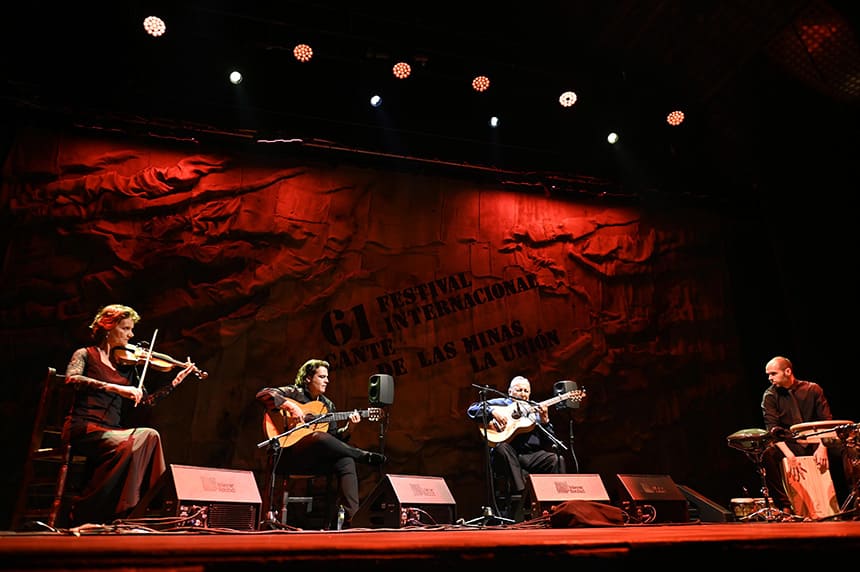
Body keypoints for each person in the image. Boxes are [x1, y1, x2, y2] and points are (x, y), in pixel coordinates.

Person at [63, 304, 197, 525]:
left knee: (150, 436)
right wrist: (117, 388)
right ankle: (90, 509)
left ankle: (147, 508)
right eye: (125, 328)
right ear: (108, 328)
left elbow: (146, 401)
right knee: (132, 442)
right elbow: (72, 379)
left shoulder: (126, 365)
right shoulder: (86, 354)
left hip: (111, 432)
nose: (131, 335)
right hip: (84, 427)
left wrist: (174, 383)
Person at [256, 359, 386, 528]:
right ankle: (360, 454)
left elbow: (333, 440)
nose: (327, 380)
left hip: (313, 461)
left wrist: (349, 428)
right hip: (287, 456)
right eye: (322, 376)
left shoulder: (327, 405)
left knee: (345, 460)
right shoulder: (294, 393)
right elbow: (263, 394)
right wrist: (290, 406)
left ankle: (353, 520)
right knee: (318, 436)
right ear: (308, 378)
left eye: (327, 377)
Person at [760, 355, 856, 514]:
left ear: (788, 371)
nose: (769, 378)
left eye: (773, 373)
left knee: (849, 448)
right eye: (768, 374)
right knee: (767, 454)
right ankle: (785, 506)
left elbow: (827, 421)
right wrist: (789, 456)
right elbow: (773, 429)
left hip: (817, 441)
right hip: (792, 444)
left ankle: (855, 500)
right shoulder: (770, 396)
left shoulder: (812, 389)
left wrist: (822, 445)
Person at [466, 375, 566, 518]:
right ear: (510, 391)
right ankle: (523, 496)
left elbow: (549, 440)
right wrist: (493, 412)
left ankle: (555, 505)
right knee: (501, 447)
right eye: (519, 390)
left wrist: (545, 421)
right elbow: (472, 409)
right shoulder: (501, 403)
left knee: (556, 459)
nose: (523, 393)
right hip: (507, 455)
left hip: (530, 455)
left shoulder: (534, 409)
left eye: (526, 391)